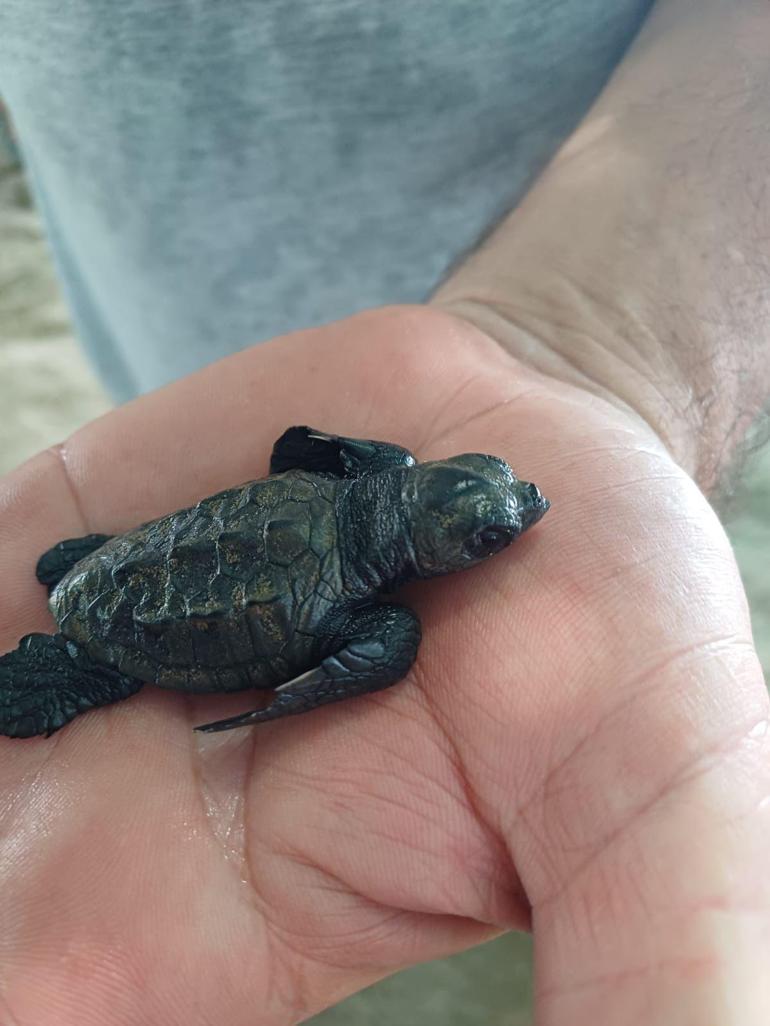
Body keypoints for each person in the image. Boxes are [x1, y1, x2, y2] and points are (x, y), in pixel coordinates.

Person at [0, 0, 768, 1023]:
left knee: (75, 560)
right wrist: (262, 709)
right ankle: (69, 661)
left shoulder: (360, 476)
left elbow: (292, 453)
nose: (526, 505)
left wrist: (595, 357)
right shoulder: (382, 616)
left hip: (125, 549)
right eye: (494, 518)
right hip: (140, 568)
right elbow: (295, 459)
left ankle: (81, 582)